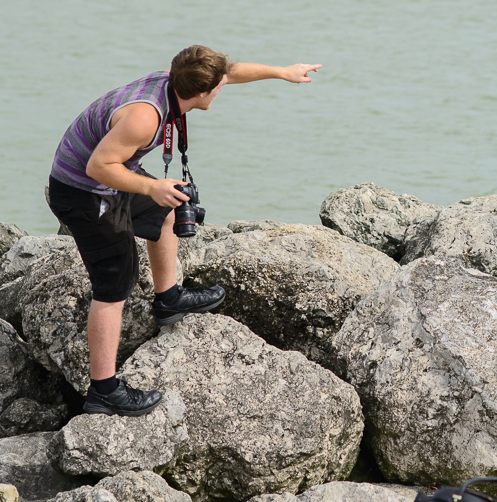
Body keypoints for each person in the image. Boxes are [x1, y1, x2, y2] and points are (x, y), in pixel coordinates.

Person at [46, 45, 321, 416]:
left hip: (105, 179)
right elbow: (98, 166)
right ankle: (103, 391)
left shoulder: (174, 81)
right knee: (114, 285)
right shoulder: (144, 117)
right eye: (218, 87)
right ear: (202, 93)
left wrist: (282, 72)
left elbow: (232, 71)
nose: (224, 88)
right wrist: (148, 187)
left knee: (172, 205)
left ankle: (168, 297)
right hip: (84, 190)